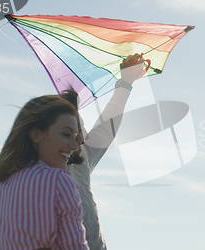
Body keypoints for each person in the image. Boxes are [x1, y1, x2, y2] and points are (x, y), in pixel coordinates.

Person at [0, 94, 88, 249]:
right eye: (66, 134)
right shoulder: (58, 181)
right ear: (35, 134)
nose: (74, 146)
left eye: (75, 137)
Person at [62, 53, 145, 250]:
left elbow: (107, 125)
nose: (78, 138)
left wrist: (126, 82)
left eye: (80, 130)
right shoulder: (26, 178)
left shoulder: (81, 157)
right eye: (67, 132)